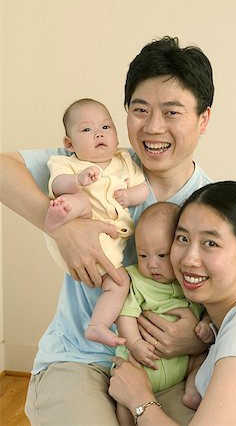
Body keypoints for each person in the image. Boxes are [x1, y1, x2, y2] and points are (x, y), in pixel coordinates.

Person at [0, 36, 215, 425]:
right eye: (139, 109)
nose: (153, 127)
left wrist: (199, 337)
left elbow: (232, 294)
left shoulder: (214, 204)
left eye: (171, 112)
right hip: (79, 359)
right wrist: (63, 230)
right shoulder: (101, 163)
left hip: (169, 367)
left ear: (203, 118)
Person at [109, 181, 236, 426]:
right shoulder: (224, 318)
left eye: (210, 243)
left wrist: (139, 399)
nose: (189, 259)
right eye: (182, 238)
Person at [44, 98, 149, 347]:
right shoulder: (67, 162)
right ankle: (54, 220)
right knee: (79, 200)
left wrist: (130, 196)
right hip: (74, 232)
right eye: (87, 129)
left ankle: (97, 325)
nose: (98, 134)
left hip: (110, 242)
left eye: (106, 127)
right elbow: (57, 184)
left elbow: (142, 188)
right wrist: (78, 180)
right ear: (69, 143)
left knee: (119, 283)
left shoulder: (124, 160)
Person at [115, 201, 214, 425]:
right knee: (124, 394)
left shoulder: (189, 280)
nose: (152, 265)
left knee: (204, 358)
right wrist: (135, 344)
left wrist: (206, 323)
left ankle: (192, 388)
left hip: (181, 364)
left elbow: (207, 308)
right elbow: (125, 315)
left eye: (162, 255)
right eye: (142, 255)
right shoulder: (136, 280)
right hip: (142, 360)